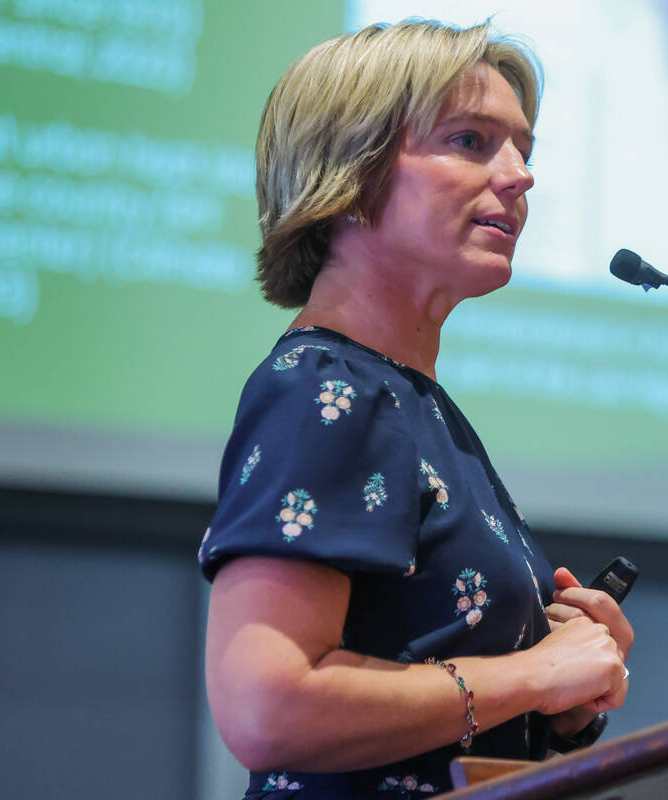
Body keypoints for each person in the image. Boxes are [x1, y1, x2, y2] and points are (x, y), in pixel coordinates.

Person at [199, 18, 634, 799]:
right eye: (472, 141)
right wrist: (532, 674)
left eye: (524, 151)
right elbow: (267, 707)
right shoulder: (324, 388)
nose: (520, 175)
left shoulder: (413, 401)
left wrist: (565, 703)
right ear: (351, 173)